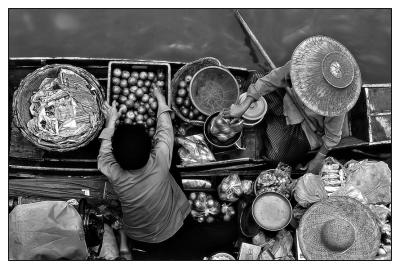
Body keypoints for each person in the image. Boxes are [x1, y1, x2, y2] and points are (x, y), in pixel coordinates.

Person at [98, 88, 237, 260]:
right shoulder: (160, 162)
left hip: (139, 235)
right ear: (150, 151)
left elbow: (104, 152)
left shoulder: (113, 172)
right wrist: (161, 101)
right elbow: (165, 131)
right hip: (173, 227)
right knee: (230, 231)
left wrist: (110, 122)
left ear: (116, 159)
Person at [224, 36, 361, 174]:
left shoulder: (336, 104)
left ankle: (270, 124)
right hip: (289, 101)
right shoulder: (303, 66)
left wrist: (318, 158)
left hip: (306, 128)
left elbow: (332, 138)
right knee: (256, 78)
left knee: (275, 157)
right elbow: (271, 80)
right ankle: (269, 121)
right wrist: (243, 106)